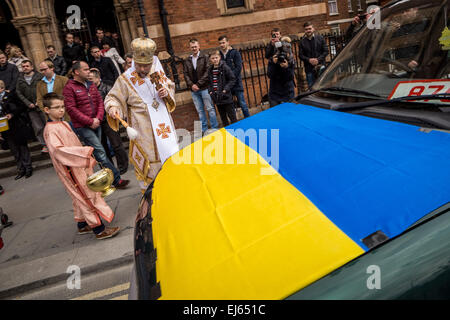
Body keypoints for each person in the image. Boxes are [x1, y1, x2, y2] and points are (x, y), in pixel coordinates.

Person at [105, 37, 179, 193]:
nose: (144, 69)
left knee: (169, 153)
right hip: (142, 128)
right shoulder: (125, 79)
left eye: (146, 66)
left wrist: (166, 92)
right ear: (134, 62)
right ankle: (150, 192)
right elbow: (113, 97)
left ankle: (173, 186)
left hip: (163, 124)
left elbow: (170, 86)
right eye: (140, 65)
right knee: (148, 159)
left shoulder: (156, 72)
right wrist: (113, 107)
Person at [42, 92, 120, 239]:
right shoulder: (50, 130)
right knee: (85, 196)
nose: (61, 110)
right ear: (47, 110)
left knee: (79, 196)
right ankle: (99, 229)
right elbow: (59, 151)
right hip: (70, 169)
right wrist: (84, 153)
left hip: (78, 165)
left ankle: (82, 225)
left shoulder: (64, 123)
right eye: (57, 107)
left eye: (63, 107)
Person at [63, 61, 129, 189]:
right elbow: (71, 109)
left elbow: (100, 101)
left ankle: (105, 180)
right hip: (83, 126)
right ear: (77, 72)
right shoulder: (69, 87)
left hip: (96, 123)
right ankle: (116, 179)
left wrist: (98, 118)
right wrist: (90, 121)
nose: (89, 72)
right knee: (100, 151)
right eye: (86, 69)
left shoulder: (90, 84)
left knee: (98, 153)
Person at [88, 68, 128, 174]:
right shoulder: (88, 91)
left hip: (108, 120)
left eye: (91, 79)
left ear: (97, 78)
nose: (89, 81)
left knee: (116, 144)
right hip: (97, 122)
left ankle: (122, 166)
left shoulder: (107, 88)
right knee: (102, 147)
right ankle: (110, 169)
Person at [183, 39, 219, 133]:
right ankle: (204, 130)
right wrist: (192, 85)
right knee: (200, 111)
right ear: (190, 48)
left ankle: (214, 128)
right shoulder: (187, 60)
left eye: (195, 46)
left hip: (204, 88)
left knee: (210, 108)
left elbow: (208, 72)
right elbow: (185, 74)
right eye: (192, 47)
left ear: (199, 46)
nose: (194, 48)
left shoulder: (205, 57)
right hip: (194, 90)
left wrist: (198, 84)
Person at [0, 80, 33, 179]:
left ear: (2, 88)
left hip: (17, 125)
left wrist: (12, 114)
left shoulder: (11, 95)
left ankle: (28, 168)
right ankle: (21, 169)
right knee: (14, 150)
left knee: (22, 147)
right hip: (4, 128)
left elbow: (22, 106)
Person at [15, 60, 48, 153]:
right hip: (30, 108)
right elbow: (19, 93)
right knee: (38, 127)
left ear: (32, 67)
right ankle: (44, 145)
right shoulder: (20, 79)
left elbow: (44, 88)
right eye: (23, 66)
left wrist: (39, 100)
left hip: (42, 105)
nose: (25, 68)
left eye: (27, 66)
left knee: (48, 124)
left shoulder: (39, 76)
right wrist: (27, 103)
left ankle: (54, 142)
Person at [218, 35, 250, 119]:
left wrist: (231, 77)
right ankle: (235, 123)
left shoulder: (235, 52)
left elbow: (239, 67)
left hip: (236, 82)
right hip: (226, 85)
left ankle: (249, 120)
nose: (222, 45)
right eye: (220, 43)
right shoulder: (219, 55)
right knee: (231, 106)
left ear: (228, 42)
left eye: (223, 42)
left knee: (242, 103)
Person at [208, 51, 236, 126]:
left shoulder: (224, 67)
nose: (215, 60)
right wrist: (210, 91)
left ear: (220, 57)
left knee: (232, 117)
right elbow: (209, 82)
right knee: (223, 118)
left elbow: (232, 79)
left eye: (216, 58)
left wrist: (225, 90)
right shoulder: (210, 70)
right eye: (213, 58)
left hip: (226, 97)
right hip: (217, 98)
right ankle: (228, 134)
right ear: (210, 59)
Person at [299, 22, 329, 90]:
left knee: (323, 87)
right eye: (306, 29)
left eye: (310, 28)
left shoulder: (320, 38)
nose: (308, 30)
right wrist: (309, 60)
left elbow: (326, 51)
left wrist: (318, 60)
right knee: (311, 88)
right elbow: (300, 55)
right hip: (309, 69)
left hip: (321, 67)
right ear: (304, 31)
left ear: (313, 29)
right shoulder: (302, 42)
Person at [267, 36, 295, 107]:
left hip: (288, 92)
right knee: (276, 115)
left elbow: (290, 77)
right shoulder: (273, 59)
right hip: (275, 92)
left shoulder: (291, 60)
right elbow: (269, 75)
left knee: (289, 114)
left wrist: (286, 67)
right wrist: (273, 63)